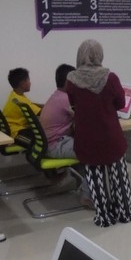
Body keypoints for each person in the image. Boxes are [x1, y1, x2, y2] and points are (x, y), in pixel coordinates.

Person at [66, 39, 131, 227]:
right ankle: (125, 212)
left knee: (95, 179)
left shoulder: (72, 79)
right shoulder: (110, 77)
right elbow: (120, 103)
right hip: (110, 136)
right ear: (100, 55)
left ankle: (104, 216)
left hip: (86, 138)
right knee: (119, 177)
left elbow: (73, 104)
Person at [39, 63, 93, 208]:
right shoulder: (66, 99)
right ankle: (87, 197)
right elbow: (85, 118)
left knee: (85, 147)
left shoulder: (56, 96)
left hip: (49, 144)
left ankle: (85, 186)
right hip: (56, 145)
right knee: (93, 153)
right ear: (69, 82)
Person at [2, 67, 41, 144]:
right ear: (22, 83)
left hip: (12, 129)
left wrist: (46, 105)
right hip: (16, 134)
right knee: (45, 137)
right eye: (28, 80)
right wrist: (52, 106)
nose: (30, 83)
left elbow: (31, 104)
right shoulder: (21, 100)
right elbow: (42, 113)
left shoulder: (15, 95)